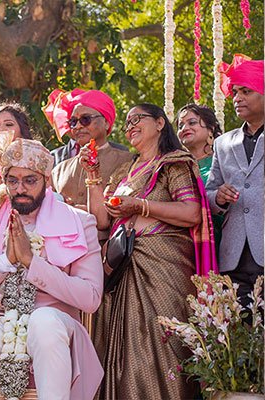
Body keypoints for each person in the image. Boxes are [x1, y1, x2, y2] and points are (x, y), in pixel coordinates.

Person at [0, 133, 104, 400]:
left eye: (30, 180)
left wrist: (31, 263)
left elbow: (90, 298)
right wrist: (4, 263)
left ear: (46, 181)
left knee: (43, 321)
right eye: (13, 180)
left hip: (52, 324)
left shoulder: (79, 223)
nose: (20, 188)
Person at [85, 103, 217, 399]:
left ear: (160, 123)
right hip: (121, 271)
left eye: (137, 119)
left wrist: (141, 206)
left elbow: (192, 212)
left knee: (160, 349)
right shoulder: (124, 171)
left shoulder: (173, 163)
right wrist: (92, 176)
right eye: (127, 122)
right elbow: (102, 220)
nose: (130, 125)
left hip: (163, 270)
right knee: (121, 354)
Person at [206, 54, 264, 307]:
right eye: (234, 92)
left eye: (246, 91)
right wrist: (218, 197)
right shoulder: (222, 143)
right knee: (237, 338)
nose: (237, 98)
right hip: (234, 258)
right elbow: (208, 192)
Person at [49, 89, 133, 242]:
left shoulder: (129, 162)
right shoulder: (59, 170)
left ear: (106, 122)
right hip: (62, 252)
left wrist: (74, 210)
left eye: (85, 119)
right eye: (73, 122)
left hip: (110, 253)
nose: (78, 126)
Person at [176, 104, 224, 249]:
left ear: (210, 129)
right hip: (185, 245)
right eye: (180, 126)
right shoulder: (176, 167)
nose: (184, 128)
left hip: (222, 242)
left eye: (192, 123)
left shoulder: (224, 161)